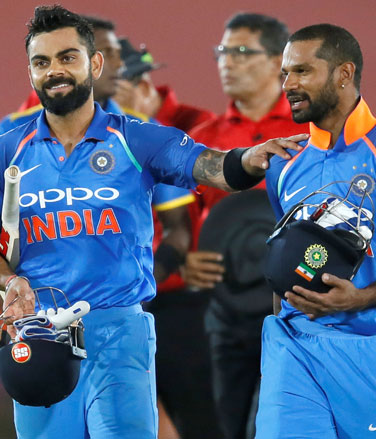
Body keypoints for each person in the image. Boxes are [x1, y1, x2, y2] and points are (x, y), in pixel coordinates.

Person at [0, 6, 305, 439]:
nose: (55, 71)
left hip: (119, 333)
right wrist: (8, 282)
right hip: (39, 333)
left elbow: (210, 167)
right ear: (30, 72)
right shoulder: (6, 146)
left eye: (68, 57)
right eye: (41, 62)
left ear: (95, 63)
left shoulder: (136, 136)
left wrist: (248, 160)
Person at [254, 24, 376, 439]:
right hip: (293, 344)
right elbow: (286, 261)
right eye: (285, 74)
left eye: (302, 72)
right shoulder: (282, 165)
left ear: (344, 74)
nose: (288, 85)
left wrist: (362, 297)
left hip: (372, 352)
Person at [0, 14, 130, 317]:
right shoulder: (12, 133)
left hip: (118, 309)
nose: (120, 63)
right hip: (39, 308)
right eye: (48, 60)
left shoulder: (136, 131)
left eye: (117, 53)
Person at [183, 13, 304, 439]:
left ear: (277, 63)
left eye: (240, 52)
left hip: (299, 309)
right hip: (224, 314)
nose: (226, 63)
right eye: (222, 52)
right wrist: (183, 261)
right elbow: (174, 225)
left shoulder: (310, 133)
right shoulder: (201, 140)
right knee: (222, 428)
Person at [117, 38, 221, 439]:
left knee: (202, 421)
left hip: (182, 304)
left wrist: (203, 251)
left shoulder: (196, 128)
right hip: (118, 308)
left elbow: (231, 216)